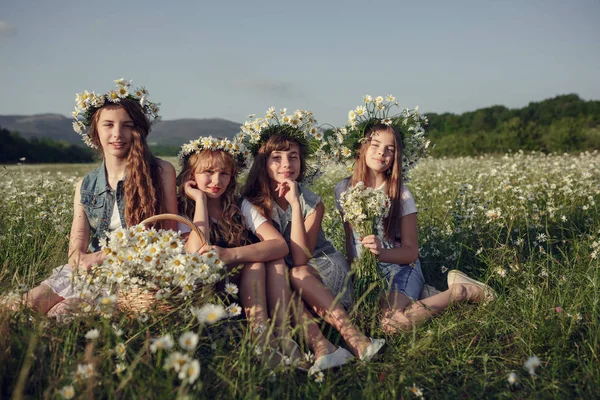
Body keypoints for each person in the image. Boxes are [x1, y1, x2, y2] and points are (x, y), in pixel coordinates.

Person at [240, 109, 385, 375]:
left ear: (301, 163)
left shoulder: (312, 202)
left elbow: (300, 257)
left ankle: (355, 338)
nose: (286, 164)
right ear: (263, 164)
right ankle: (324, 348)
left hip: (322, 267)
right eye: (277, 158)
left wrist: (296, 204)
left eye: (293, 157)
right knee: (285, 276)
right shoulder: (252, 203)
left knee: (295, 272)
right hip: (284, 276)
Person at [333, 98, 496, 334]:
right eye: (376, 145)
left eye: (390, 149)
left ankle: (460, 292)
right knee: (359, 318)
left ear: (396, 157)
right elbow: (351, 239)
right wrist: (354, 273)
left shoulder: (401, 195)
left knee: (391, 325)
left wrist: (381, 253)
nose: (382, 153)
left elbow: (411, 252)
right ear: (362, 147)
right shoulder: (342, 189)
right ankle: (427, 294)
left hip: (399, 267)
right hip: (366, 274)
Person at [21, 79, 177, 316]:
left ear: (138, 131)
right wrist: (78, 262)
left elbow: (168, 233)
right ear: (95, 132)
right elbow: (79, 237)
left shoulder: (161, 171)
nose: (117, 134)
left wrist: (105, 257)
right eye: (108, 125)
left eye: (127, 125)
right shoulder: (85, 184)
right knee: (24, 305)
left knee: (62, 313)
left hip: (133, 271)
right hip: (90, 268)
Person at [176, 136, 305, 368]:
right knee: (257, 261)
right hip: (207, 290)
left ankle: (275, 336)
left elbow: (280, 245)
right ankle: (265, 340)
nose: (217, 180)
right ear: (191, 176)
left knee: (266, 260)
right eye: (208, 172)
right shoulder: (182, 210)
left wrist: (230, 255)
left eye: (224, 173)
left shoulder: (239, 205)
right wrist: (200, 201)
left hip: (240, 286)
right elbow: (194, 254)